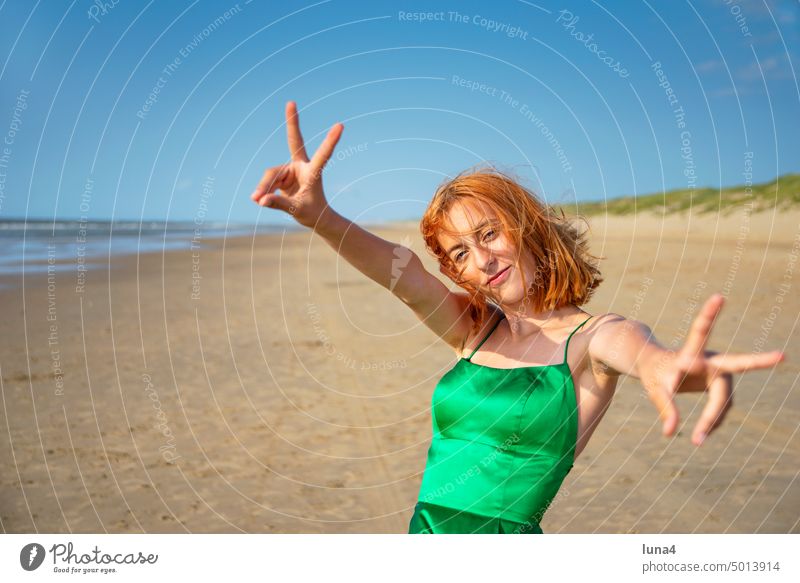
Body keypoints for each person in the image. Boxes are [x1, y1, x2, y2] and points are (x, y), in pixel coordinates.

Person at [250, 102, 786, 534]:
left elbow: (638, 351)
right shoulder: (473, 330)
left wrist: (670, 366)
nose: (481, 260)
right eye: (459, 253)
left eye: (489, 234)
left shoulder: (592, 337)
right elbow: (405, 276)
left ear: (527, 227)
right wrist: (320, 217)